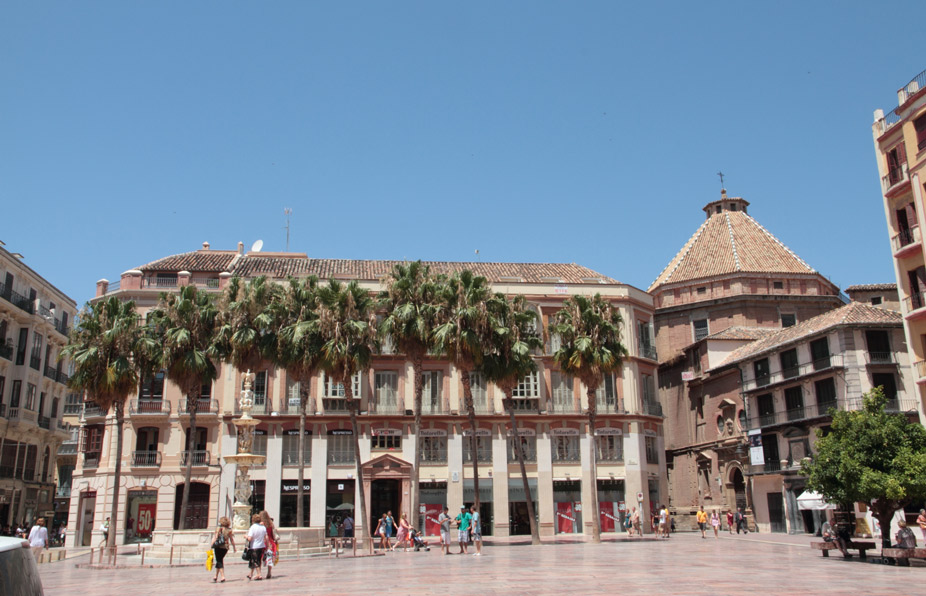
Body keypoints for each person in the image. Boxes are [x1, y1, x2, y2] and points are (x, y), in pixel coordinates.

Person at [211, 516, 236, 583]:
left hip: (218, 546)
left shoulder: (218, 529)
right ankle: (215, 576)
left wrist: (211, 545)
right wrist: (234, 547)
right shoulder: (229, 530)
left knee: (219, 561)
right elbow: (231, 539)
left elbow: (215, 538)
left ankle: (222, 576)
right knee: (219, 560)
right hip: (225, 547)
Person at [246, 513, 267, 581]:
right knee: (256, 560)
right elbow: (265, 537)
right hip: (261, 545)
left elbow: (250, 538)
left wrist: (245, 537)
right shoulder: (263, 527)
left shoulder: (253, 527)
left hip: (254, 546)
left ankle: (259, 574)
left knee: (255, 560)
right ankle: (250, 574)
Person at [259, 511, 278, 579]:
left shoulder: (261, 524)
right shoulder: (271, 523)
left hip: (263, 542)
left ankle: (259, 573)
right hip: (271, 542)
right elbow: (273, 532)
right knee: (269, 557)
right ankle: (269, 572)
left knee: (260, 558)